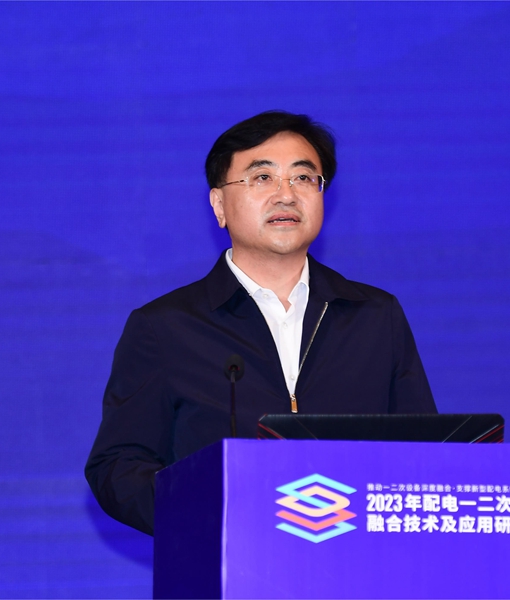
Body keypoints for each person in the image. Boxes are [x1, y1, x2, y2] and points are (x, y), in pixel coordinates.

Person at [85, 111, 436, 536]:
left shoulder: (374, 316)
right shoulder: (166, 327)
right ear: (219, 205)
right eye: (262, 178)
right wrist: (205, 513)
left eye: (304, 178)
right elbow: (118, 466)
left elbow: (426, 452)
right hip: (227, 560)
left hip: (356, 560)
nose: (286, 194)